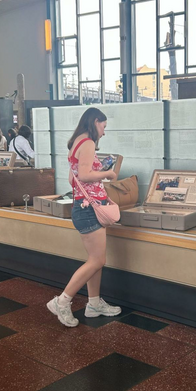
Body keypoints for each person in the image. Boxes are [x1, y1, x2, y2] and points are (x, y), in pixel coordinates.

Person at [46, 107, 120, 327]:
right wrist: (107, 173)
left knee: (95, 261)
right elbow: (86, 175)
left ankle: (94, 303)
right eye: (104, 126)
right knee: (98, 260)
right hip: (89, 209)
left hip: (84, 207)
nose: (104, 132)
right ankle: (62, 301)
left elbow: (73, 178)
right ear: (95, 121)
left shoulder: (76, 143)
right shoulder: (87, 143)